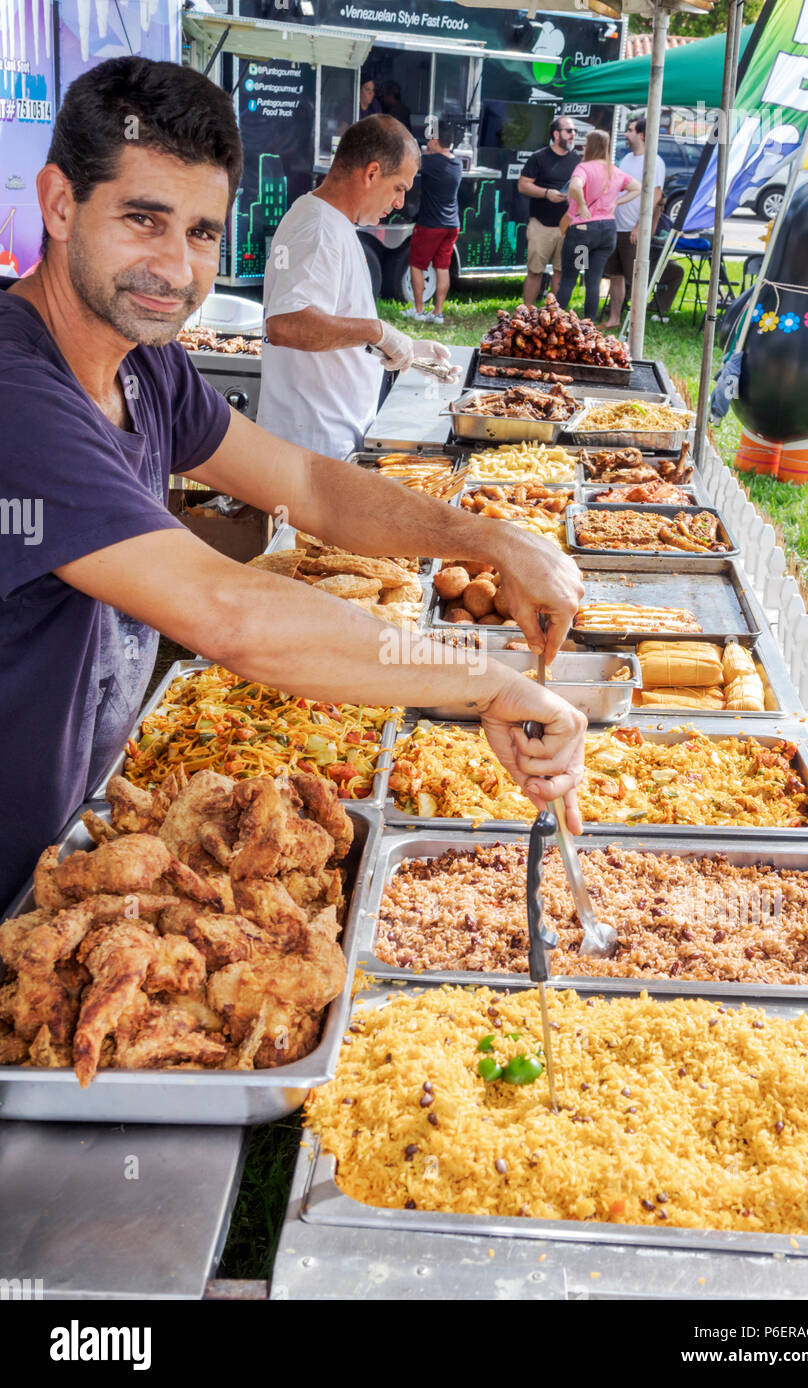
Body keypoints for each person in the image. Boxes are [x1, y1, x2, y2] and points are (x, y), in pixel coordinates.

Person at [0, 57, 587, 911]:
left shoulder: (145, 368)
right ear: (59, 204)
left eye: (201, 233)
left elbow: (306, 486)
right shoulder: (18, 396)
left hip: (61, 844)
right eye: (142, 220)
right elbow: (227, 613)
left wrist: (488, 540)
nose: (174, 266)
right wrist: (484, 681)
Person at [257, 117, 449, 459]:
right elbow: (285, 324)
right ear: (372, 173)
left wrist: (407, 350)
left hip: (328, 441)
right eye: (399, 188)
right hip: (313, 446)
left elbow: (336, 325)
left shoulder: (330, 222)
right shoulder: (318, 229)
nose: (400, 203)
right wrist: (377, 331)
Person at [555, 129, 639, 321]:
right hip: (607, 232)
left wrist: (583, 205)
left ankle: (554, 323)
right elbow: (637, 188)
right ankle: (589, 324)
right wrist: (616, 202)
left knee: (569, 278)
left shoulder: (583, 168)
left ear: (590, 146)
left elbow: (575, 186)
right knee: (594, 280)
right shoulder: (614, 170)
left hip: (584, 233)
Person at [603, 116, 666, 330]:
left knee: (636, 278)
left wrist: (640, 225)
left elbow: (656, 196)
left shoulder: (654, 161)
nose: (626, 134)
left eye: (629, 130)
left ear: (641, 134)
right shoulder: (627, 159)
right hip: (617, 226)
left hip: (634, 229)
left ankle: (635, 324)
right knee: (615, 275)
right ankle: (614, 318)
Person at [402, 119, 462, 325]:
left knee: (417, 265)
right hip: (452, 224)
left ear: (435, 141)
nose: (427, 143)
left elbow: (408, 161)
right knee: (442, 268)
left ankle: (418, 310)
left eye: (429, 140)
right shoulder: (457, 162)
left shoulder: (431, 162)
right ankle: (437, 313)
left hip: (430, 224)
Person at [517, 116, 580, 307]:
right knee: (535, 271)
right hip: (541, 224)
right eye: (569, 131)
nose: (573, 135)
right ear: (556, 134)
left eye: (574, 131)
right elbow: (523, 185)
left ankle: (554, 316)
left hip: (567, 225)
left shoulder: (577, 160)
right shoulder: (539, 157)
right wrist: (546, 193)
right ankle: (527, 313)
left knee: (561, 272)